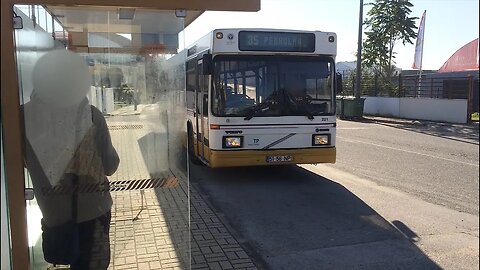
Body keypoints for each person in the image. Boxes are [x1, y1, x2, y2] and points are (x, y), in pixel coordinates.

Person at [22, 50, 119, 270]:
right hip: (93, 212)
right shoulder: (91, 115)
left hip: (54, 214)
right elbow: (111, 166)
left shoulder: (21, 117)